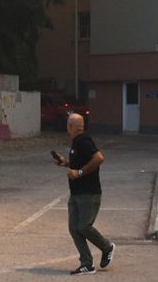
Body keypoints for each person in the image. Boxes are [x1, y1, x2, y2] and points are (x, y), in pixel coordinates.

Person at [52, 112, 114, 274]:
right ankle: (86, 263)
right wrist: (66, 163)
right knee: (74, 228)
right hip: (76, 193)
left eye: (67, 123)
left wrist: (78, 173)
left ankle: (107, 247)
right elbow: (81, 161)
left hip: (89, 193)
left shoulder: (84, 141)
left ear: (71, 126)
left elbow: (99, 158)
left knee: (84, 227)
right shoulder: (77, 142)